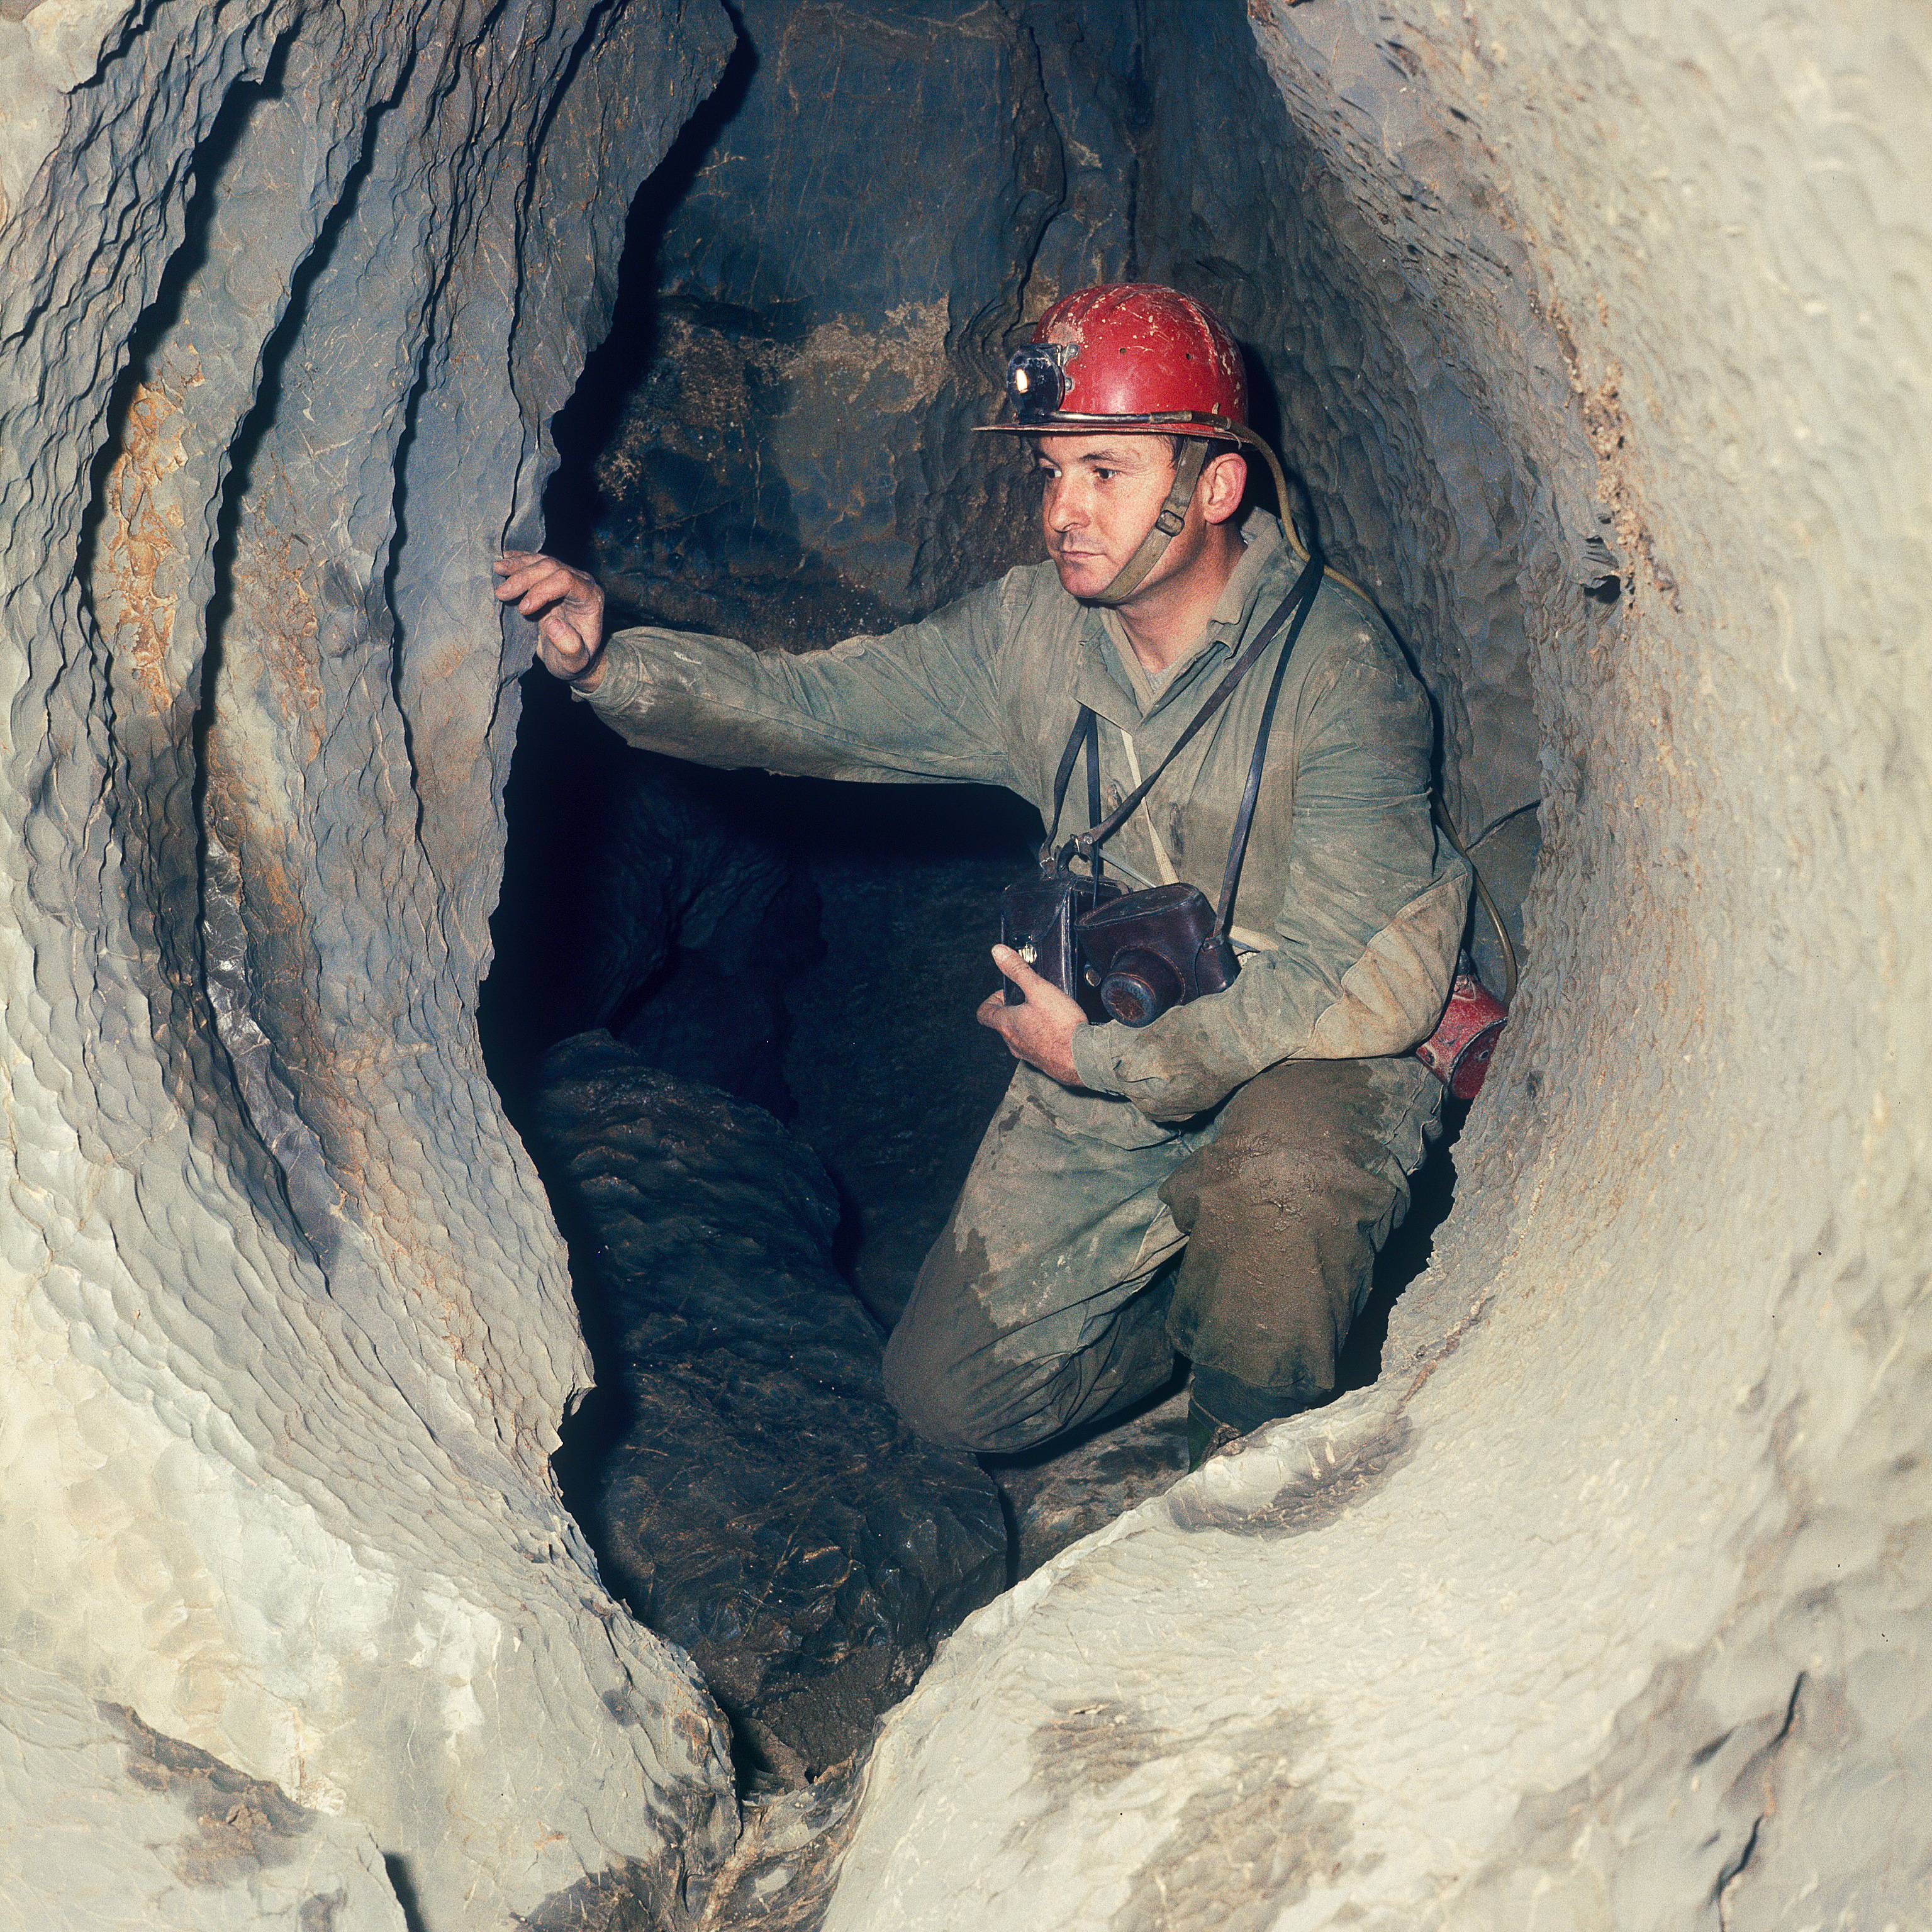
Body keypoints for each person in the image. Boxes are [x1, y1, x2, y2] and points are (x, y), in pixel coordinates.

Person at [496, 282, 1470, 1467]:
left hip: (1294, 1054)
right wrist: (612, 666)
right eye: (1052, 472)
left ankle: (1255, 1447)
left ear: (1214, 486)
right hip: (1114, 1036)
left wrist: (1104, 1059)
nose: (1064, 509)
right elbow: (820, 706)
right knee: (951, 1400)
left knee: (1284, 1183)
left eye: (1105, 472)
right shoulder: (1031, 634)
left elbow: (1325, 972)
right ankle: (1197, 1310)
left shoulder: (1342, 674)